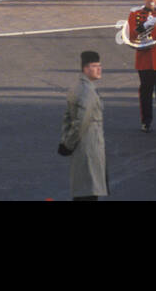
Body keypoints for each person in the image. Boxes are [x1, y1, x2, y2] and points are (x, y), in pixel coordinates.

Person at [58, 50, 108, 200]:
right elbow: (81, 122)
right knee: (88, 191)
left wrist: (65, 141)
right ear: (85, 69)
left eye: (99, 65)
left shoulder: (77, 87)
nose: (99, 69)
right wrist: (69, 143)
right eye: (94, 66)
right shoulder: (87, 92)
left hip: (83, 147)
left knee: (83, 190)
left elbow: (67, 118)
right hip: (89, 146)